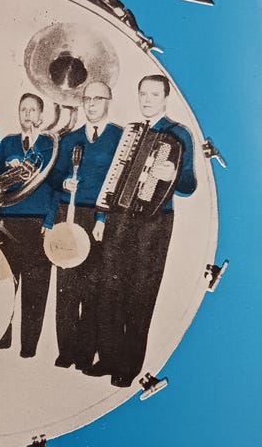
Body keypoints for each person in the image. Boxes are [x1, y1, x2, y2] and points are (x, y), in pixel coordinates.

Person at [84, 74, 197, 387]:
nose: (147, 100)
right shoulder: (132, 131)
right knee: (110, 288)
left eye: (153, 95)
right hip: (121, 218)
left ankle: (128, 366)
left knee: (140, 293)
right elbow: (115, 176)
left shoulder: (178, 134)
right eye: (143, 94)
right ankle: (108, 358)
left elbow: (189, 185)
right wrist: (103, 214)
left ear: (165, 98)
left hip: (155, 222)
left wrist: (172, 173)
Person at [50, 81, 122, 371]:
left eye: (97, 99)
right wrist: (63, 183)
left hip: (101, 218)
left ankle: (85, 354)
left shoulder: (119, 137)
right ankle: (65, 351)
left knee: (94, 287)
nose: (91, 104)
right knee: (67, 285)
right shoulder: (70, 138)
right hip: (70, 214)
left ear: (109, 101)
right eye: (87, 99)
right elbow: (54, 176)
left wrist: (103, 217)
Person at [0, 93, 57, 358]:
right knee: (4, 283)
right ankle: (1, 337)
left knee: (36, 287)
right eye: (23, 109)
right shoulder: (7, 142)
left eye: (33, 110)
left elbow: (57, 187)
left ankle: (28, 346)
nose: (28, 114)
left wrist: (50, 220)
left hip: (38, 223)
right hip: (9, 220)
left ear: (41, 115)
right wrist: (7, 173)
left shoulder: (50, 145)